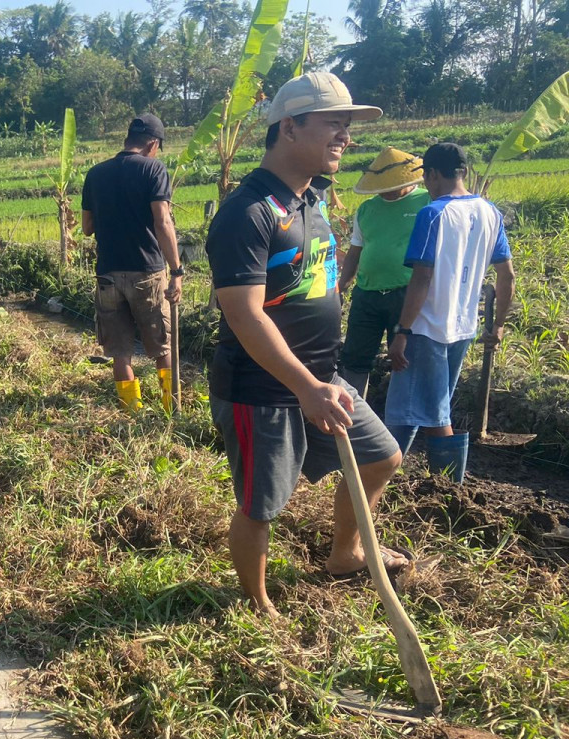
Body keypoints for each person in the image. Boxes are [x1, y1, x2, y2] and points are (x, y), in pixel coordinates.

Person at [205, 72, 405, 618]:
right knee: (261, 505)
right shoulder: (248, 212)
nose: (346, 136)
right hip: (261, 388)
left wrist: (319, 383)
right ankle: (257, 603)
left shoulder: (309, 200)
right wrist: (306, 388)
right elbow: (244, 315)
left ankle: (346, 553)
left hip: (321, 376)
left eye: (347, 126)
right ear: (289, 128)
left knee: (382, 456)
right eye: (333, 123)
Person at [383, 142, 515, 483]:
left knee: (430, 411)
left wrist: (402, 331)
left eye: (426, 178)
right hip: (463, 327)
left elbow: (422, 278)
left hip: (427, 327)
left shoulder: (434, 214)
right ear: (464, 172)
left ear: (432, 174)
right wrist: (497, 325)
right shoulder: (490, 212)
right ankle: (386, 477)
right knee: (412, 408)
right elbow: (507, 275)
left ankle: (449, 488)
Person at [80, 113, 184, 413]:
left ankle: (131, 413)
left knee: (120, 353)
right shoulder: (153, 169)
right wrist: (176, 270)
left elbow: (86, 227)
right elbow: (162, 221)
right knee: (162, 347)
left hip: (108, 275)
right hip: (147, 273)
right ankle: (171, 410)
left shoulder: (96, 174)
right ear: (153, 144)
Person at [336, 147, 430, 398]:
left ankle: (401, 414)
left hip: (407, 293)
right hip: (367, 293)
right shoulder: (366, 210)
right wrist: (341, 286)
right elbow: (355, 252)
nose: (385, 191)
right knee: (355, 357)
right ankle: (354, 411)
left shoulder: (427, 202)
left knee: (403, 357)